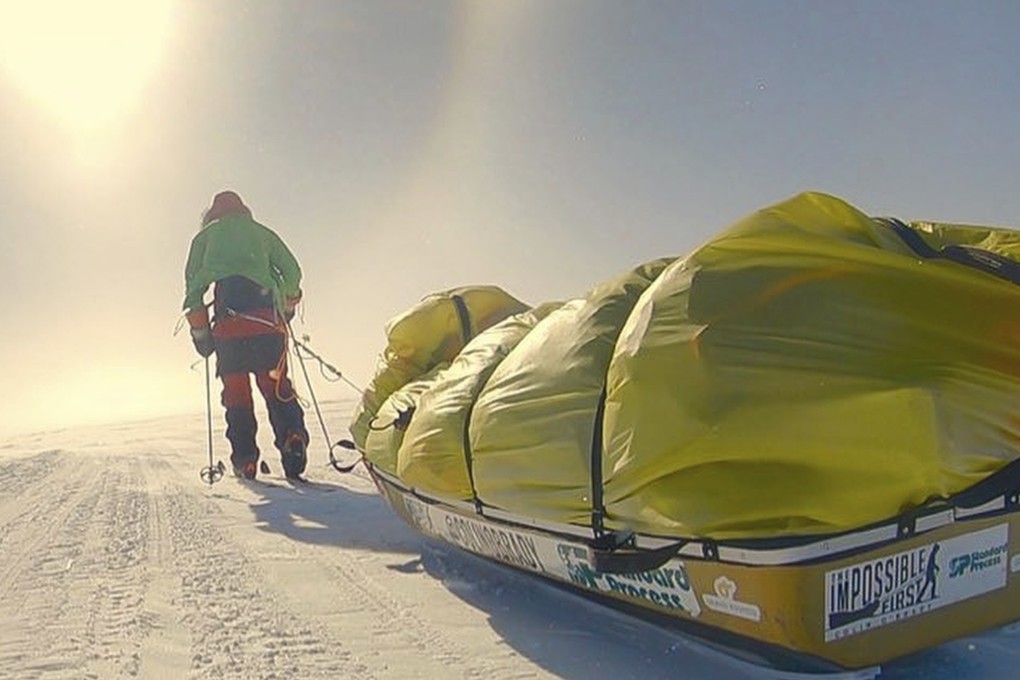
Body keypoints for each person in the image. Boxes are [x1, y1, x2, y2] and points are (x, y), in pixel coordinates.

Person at [182, 190, 309, 480]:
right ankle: (292, 437)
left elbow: (193, 291)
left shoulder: (204, 239)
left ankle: (245, 460)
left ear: (212, 216)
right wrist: (287, 305)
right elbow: (292, 272)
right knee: (277, 387)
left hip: (229, 329)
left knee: (236, 395)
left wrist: (201, 333)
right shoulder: (262, 234)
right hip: (266, 324)